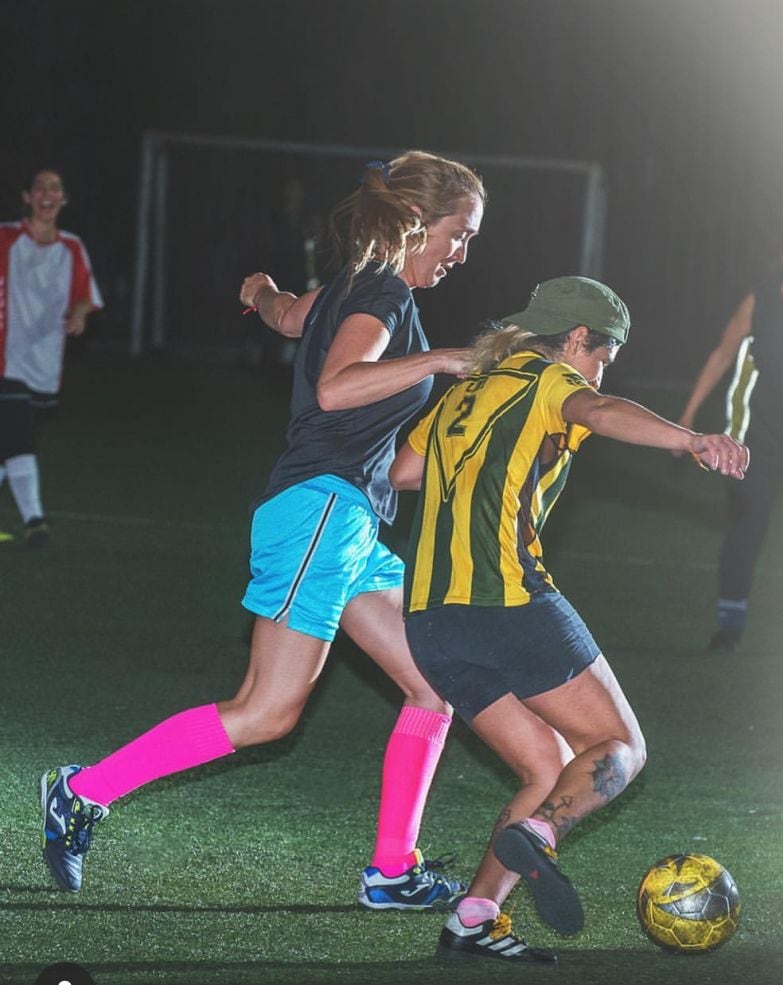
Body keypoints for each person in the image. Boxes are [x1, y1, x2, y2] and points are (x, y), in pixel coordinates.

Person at [39, 151, 486, 908]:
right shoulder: (378, 293)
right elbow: (337, 387)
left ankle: (391, 868)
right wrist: (440, 360)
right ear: (419, 223)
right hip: (320, 512)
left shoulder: (351, 289)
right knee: (266, 711)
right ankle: (81, 790)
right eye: (459, 233)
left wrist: (263, 291)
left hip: (345, 524)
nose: (462, 253)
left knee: (432, 685)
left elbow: (288, 314)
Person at [390, 276, 749, 964]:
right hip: (508, 602)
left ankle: (474, 916)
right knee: (620, 744)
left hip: (432, 620)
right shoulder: (550, 381)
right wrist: (691, 440)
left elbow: (406, 470)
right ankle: (545, 834)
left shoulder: (467, 390)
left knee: (547, 764)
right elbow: (601, 409)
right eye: (603, 354)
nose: (599, 369)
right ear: (579, 339)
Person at [677, 228, 783, 652]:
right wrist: (687, 416)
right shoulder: (761, 302)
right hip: (759, 440)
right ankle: (730, 625)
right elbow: (722, 353)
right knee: (745, 530)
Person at [0, 168, 102, 546]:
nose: (47, 194)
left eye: (55, 188)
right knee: (18, 433)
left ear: (64, 199)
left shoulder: (71, 247)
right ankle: (35, 522)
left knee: (6, 441)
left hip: (44, 362)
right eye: (40, 187)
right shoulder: (6, 238)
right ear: (27, 196)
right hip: (5, 358)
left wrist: (79, 312)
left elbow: (84, 294)